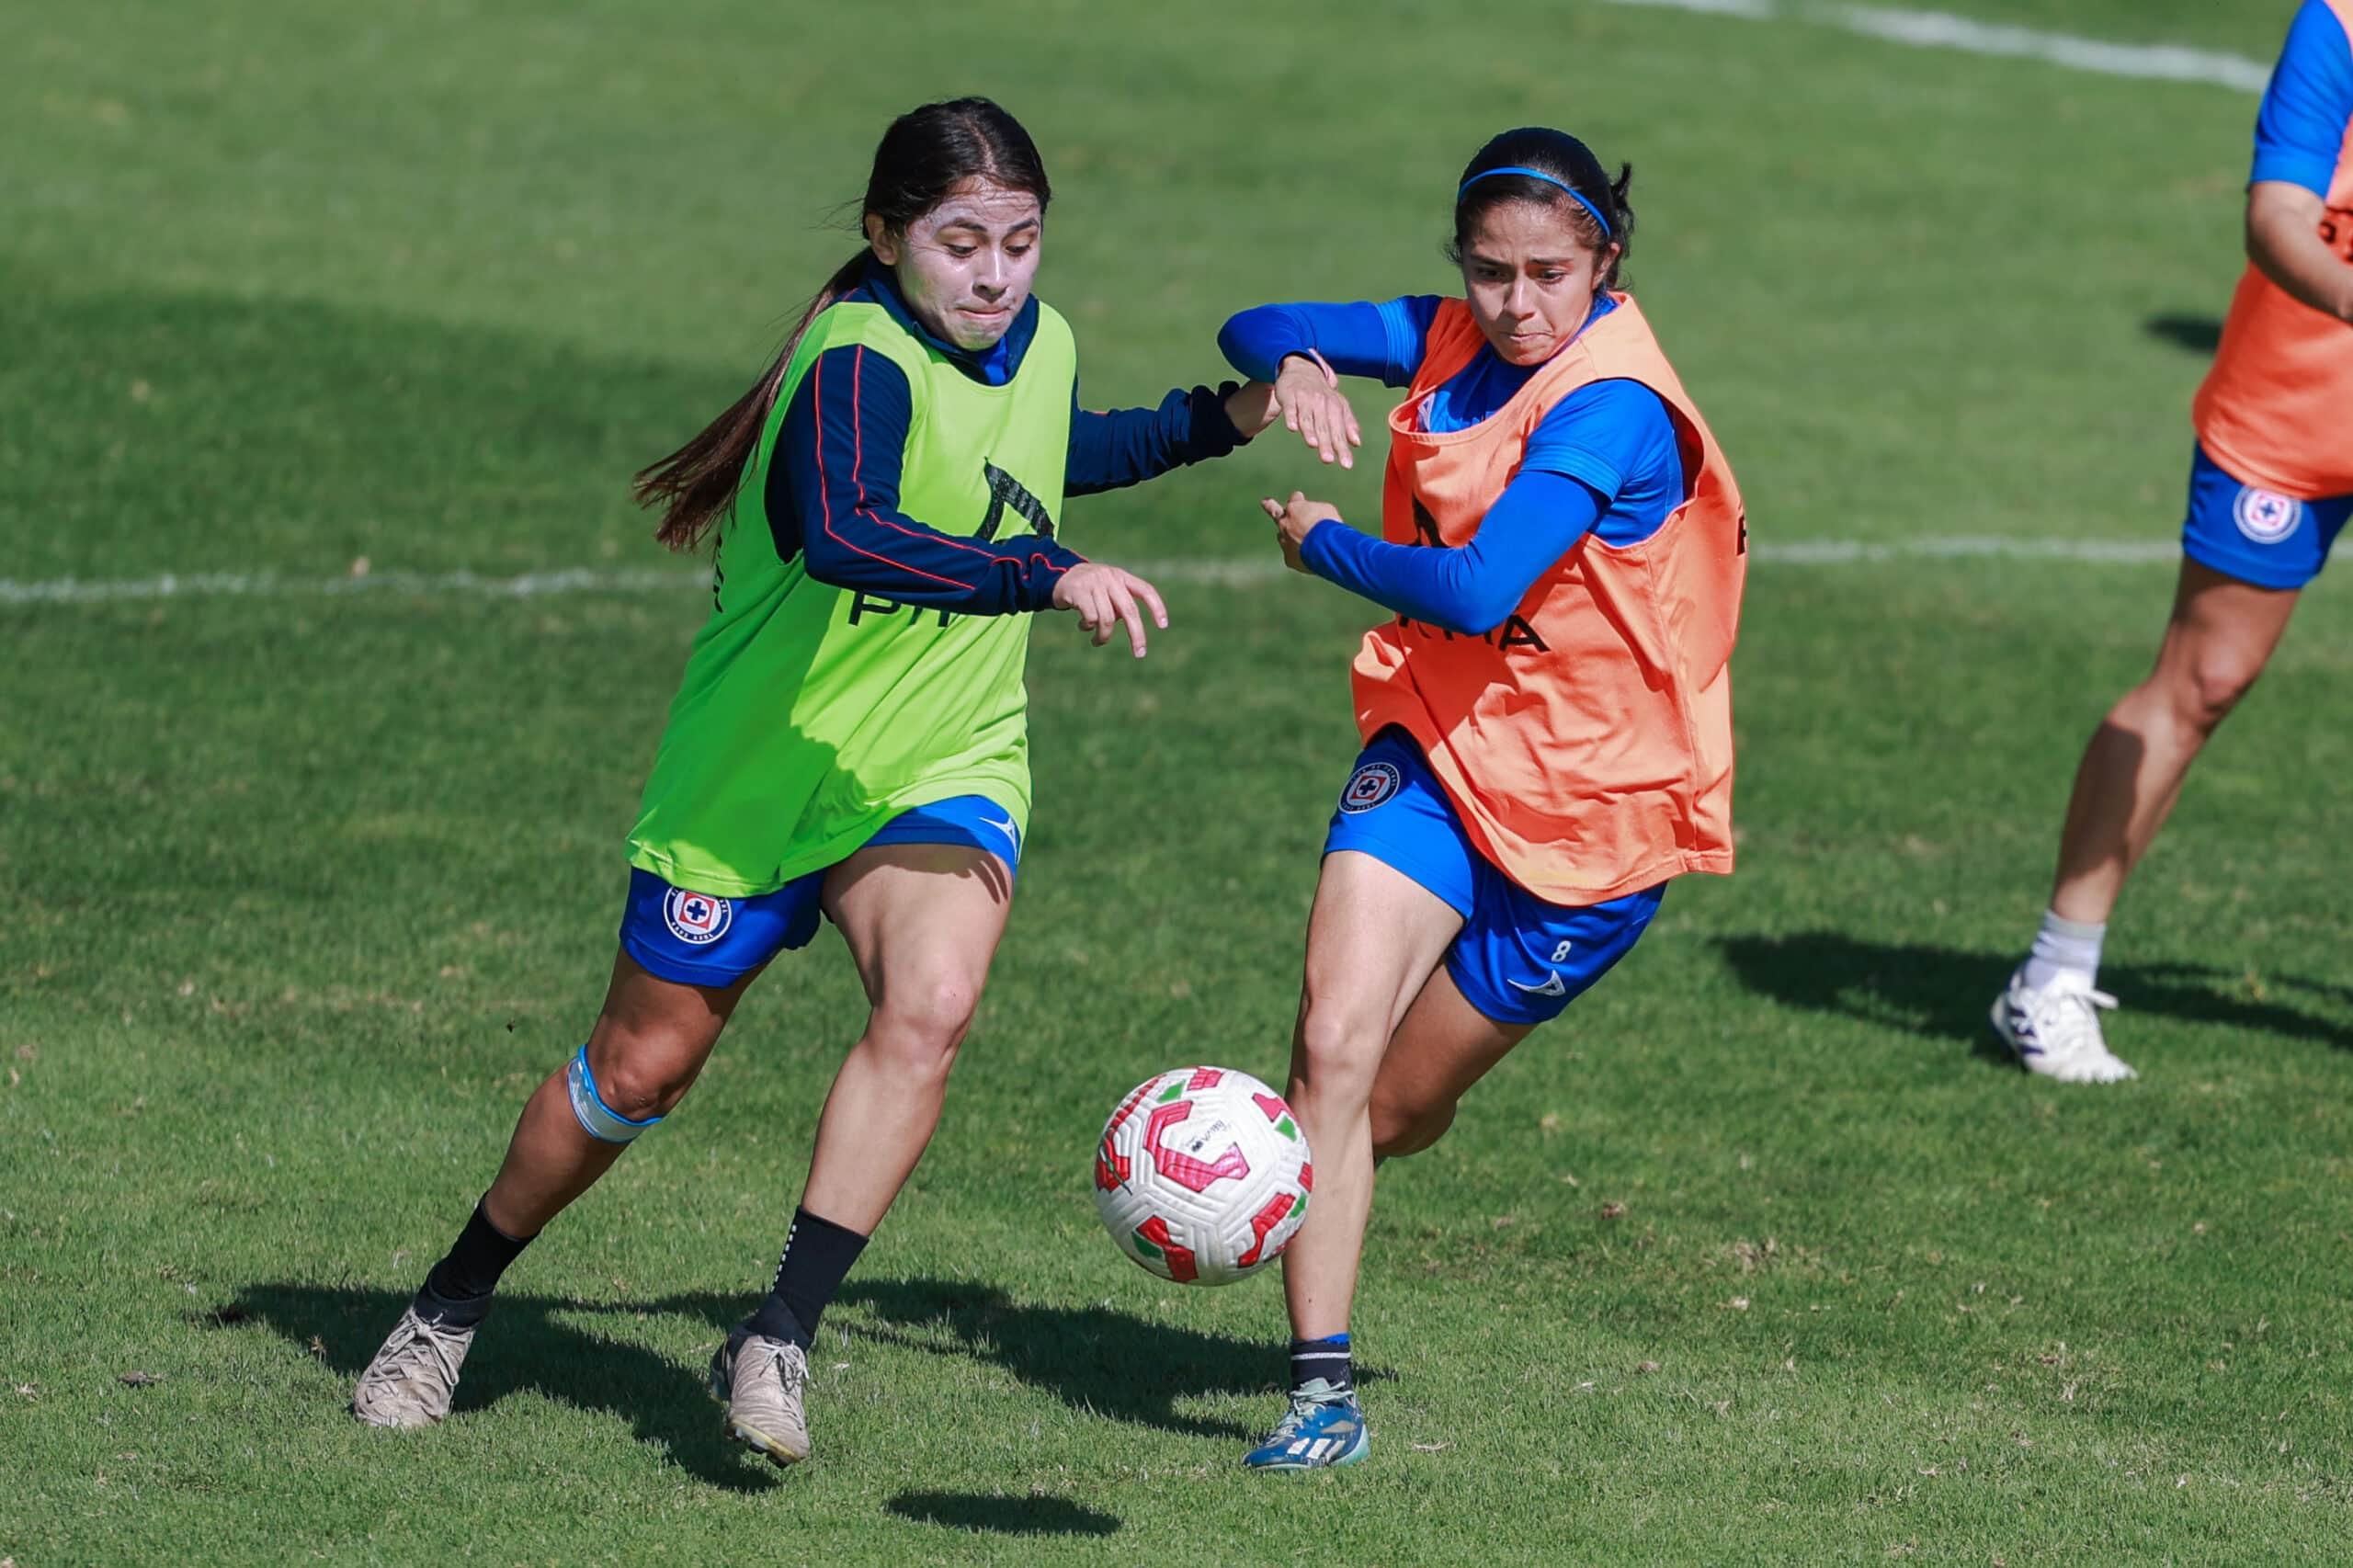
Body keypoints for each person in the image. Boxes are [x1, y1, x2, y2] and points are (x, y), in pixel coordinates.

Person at [349, 97, 1278, 1465]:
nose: (996, 273)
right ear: (886, 234)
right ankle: (451, 1300)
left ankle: (779, 1329)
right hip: (758, 770)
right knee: (640, 1071)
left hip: (942, 757)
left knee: (932, 1006)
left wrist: (1227, 416)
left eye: (1022, 241)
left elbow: (1045, 453)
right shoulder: (852, 364)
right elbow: (851, 534)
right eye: (962, 241)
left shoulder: (1038, 338)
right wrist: (1046, 573)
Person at [1218, 126, 1746, 1470]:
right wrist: (1295, 358)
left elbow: (1473, 589)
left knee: (1385, 1112)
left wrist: (1321, 542)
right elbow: (1253, 319)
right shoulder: (1449, 331)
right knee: (1329, 1052)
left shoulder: (1613, 406)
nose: (1517, 305)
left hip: (1591, 819)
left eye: (1549, 274)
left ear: (1604, 263)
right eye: (1490, 271)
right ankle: (1322, 1396)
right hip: (1442, 748)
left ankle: (1310, 1202)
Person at [1991, 2, 2353, 1085]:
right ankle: (2051, 977)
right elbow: (2277, 215)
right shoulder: (2335, 25)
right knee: (2202, 678)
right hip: (2294, 410)